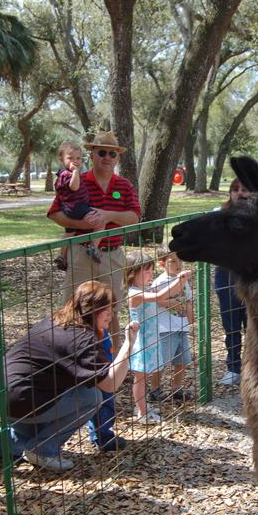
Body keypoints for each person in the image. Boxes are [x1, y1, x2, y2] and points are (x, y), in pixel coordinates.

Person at [0, 281, 139, 472]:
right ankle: (44, 450)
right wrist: (128, 344)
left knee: (27, 442)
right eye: (106, 309)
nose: (112, 314)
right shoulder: (83, 338)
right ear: (90, 309)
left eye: (112, 308)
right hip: (20, 398)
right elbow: (110, 384)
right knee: (91, 397)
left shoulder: (57, 319)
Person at [48, 130, 141, 351]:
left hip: (114, 256)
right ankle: (69, 363)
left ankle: (112, 362)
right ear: (92, 155)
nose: (106, 157)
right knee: (72, 309)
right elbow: (54, 212)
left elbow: (135, 217)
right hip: (80, 254)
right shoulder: (75, 181)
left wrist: (107, 215)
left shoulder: (125, 185)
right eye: (101, 152)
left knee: (112, 311)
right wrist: (82, 225)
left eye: (112, 153)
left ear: (118, 158)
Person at [124, 250, 192, 422]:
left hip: (151, 340)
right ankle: (142, 413)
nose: (151, 275)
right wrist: (180, 280)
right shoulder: (135, 293)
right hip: (142, 343)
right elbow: (161, 296)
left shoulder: (145, 288)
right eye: (146, 272)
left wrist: (180, 281)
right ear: (133, 273)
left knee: (144, 377)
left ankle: (143, 407)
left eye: (151, 271)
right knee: (140, 380)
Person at [214, 178, 250, 385]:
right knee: (231, 324)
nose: (239, 193)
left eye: (244, 189)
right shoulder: (219, 213)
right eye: (235, 189)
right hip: (226, 275)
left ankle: (254, 368)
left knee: (253, 324)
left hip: (251, 276)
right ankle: (233, 368)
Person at [149, 244, 194, 403]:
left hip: (181, 326)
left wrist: (190, 313)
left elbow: (188, 299)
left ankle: (176, 388)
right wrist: (171, 303)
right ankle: (154, 389)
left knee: (182, 360)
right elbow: (154, 301)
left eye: (180, 261)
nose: (178, 265)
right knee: (163, 361)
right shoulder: (159, 282)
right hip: (165, 328)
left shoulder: (183, 279)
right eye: (173, 261)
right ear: (162, 263)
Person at [53, 141, 104, 271]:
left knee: (70, 231)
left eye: (77, 158)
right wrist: (76, 172)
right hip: (77, 206)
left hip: (68, 207)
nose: (75, 161)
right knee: (100, 221)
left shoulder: (61, 174)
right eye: (70, 158)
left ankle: (62, 255)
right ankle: (93, 246)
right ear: (61, 159)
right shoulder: (68, 174)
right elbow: (74, 186)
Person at [87, 326, 126, 453]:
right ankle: (103, 437)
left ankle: (99, 434)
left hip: (100, 330)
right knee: (104, 384)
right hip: (95, 331)